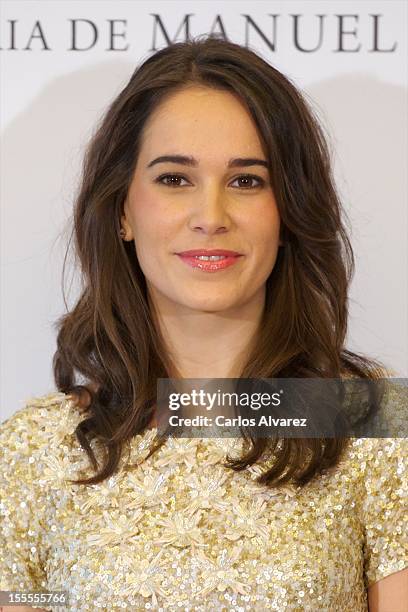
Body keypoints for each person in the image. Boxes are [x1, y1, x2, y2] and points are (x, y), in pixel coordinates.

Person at [0, 35, 407, 612]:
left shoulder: (366, 418)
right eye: (174, 179)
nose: (211, 217)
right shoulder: (32, 448)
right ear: (122, 211)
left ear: (287, 211)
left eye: (246, 181)